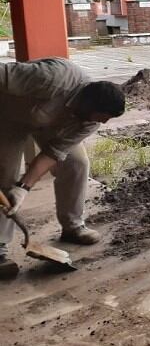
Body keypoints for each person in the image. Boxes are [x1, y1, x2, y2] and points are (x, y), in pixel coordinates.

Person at [0, 58, 126, 278]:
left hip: (50, 124)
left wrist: (24, 187)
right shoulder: (53, 78)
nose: (103, 123)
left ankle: (72, 226)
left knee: (77, 163)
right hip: (8, 117)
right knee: (4, 177)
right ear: (88, 104)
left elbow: (53, 153)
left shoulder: (90, 120)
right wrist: (14, 184)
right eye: (102, 117)